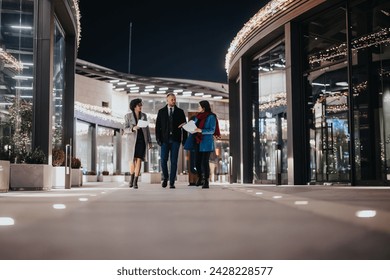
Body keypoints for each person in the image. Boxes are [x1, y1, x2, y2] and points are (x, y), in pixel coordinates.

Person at [184, 100, 220, 189]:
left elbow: (212, 130)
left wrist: (201, 130)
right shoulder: (197, 117)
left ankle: (206, 180)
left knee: (204, 162)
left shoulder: (211, 117)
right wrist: (187, 125)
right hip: (197, 141)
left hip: (206, 142)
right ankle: (200, 177)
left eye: (199, 106)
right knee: (197, 162)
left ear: (203, 107)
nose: (198, 108)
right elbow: (194, 126)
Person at [155, 93, 187, 189]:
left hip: (176, 140)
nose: (174, 101)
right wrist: (158, 140)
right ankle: (165, 177)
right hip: (164, 140)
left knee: (174, 162)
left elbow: (184, 126)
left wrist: (184, 140)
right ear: (167, 100)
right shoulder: (161, 112)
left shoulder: (180, 112)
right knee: (163, 161)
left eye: (174, 99)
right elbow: (158, 127)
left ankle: (172, 182)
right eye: (172, 99)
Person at [123, 98, 152, 189]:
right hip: (131, 141)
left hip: (141, 141)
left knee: (139, 160)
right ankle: (131, 178)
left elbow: (147, 130)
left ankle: (135, 181)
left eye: (141, 105)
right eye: (139, 105)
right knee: (132, 161)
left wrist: (149, 141)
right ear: (134, 106)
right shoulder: (127, 116)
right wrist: (133, 128)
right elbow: (125, 129)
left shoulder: (144, 115)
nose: (141, 106)